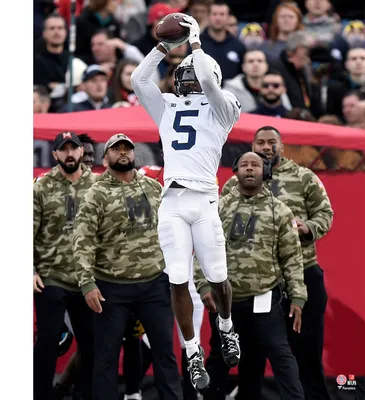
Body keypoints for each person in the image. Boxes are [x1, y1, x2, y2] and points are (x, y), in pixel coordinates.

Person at [130, 14, 241, 393]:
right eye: (185, 73)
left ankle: (225, 327)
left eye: (194, 72)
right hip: (173, 200)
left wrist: (195, 43)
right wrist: (164, 47)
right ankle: (193, 352)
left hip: (206, 199)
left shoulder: (224, 106)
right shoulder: (166, 107)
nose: (189, 77)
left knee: (218, 279)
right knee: (178, 278)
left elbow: (209, 80)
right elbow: (137, 80)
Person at [221, 126, 334, 400]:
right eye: (260, 142)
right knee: (252, 354)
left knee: (305, 351)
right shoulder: (235, 183)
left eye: (272, 142)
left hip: (302, 271)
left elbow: (326, 214)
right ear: (253, 145)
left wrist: (306, 227)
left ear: (282, 146)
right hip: (254, 283)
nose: (266, 147)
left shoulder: (304, 176)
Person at [73, 133, 182, 400]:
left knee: (165, 353)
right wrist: (87, 283)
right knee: (106, 357)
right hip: (111, 287)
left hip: (153, 283)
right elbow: (82, 239)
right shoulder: (95, 193)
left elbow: (172, 228)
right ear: (105, 157)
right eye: (116, 149)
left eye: (127, 149)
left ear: (134, 154)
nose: (123, 152)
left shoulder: (152, 187)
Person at [195, 151, 307, 400]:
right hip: (226, 302)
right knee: (219, 360)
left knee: (279, 355)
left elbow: (292, 257)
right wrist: (203, 286)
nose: (249, 169)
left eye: (255, 165)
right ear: (235, 171)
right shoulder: (219, 208)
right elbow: (202, 248)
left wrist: (298, 298)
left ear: (265, 172)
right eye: (244, 164)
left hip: (265, 299)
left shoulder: (280, 211)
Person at [139, 139, 204, 400]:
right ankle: (133, 391)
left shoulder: (201, 180)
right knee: (149, 339)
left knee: (191, 340)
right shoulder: (146, 176)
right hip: (152, 271)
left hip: (186, 272)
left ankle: (191, 395)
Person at [34, 131, 97, 400]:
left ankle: (84, 394)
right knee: (48, 340)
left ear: (82, 152)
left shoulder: (98, 185)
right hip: (52, 275)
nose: (69, 153)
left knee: (92, 344)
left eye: (74, 148)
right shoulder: (41, 187)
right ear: (55, 154)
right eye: (64, 149)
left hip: (87, 279)